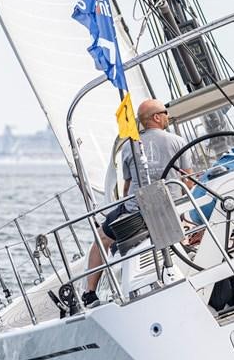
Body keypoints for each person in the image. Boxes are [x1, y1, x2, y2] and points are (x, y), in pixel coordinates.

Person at [81, 98, 195, 305]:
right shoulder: (177, 141)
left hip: (137, 212)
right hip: (171, 208)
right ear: (157, 117)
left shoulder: (130, 146)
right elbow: (189, 180)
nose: (168, 116)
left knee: (101, 239)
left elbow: (127, 186)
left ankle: (89, 292)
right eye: (165, 112)